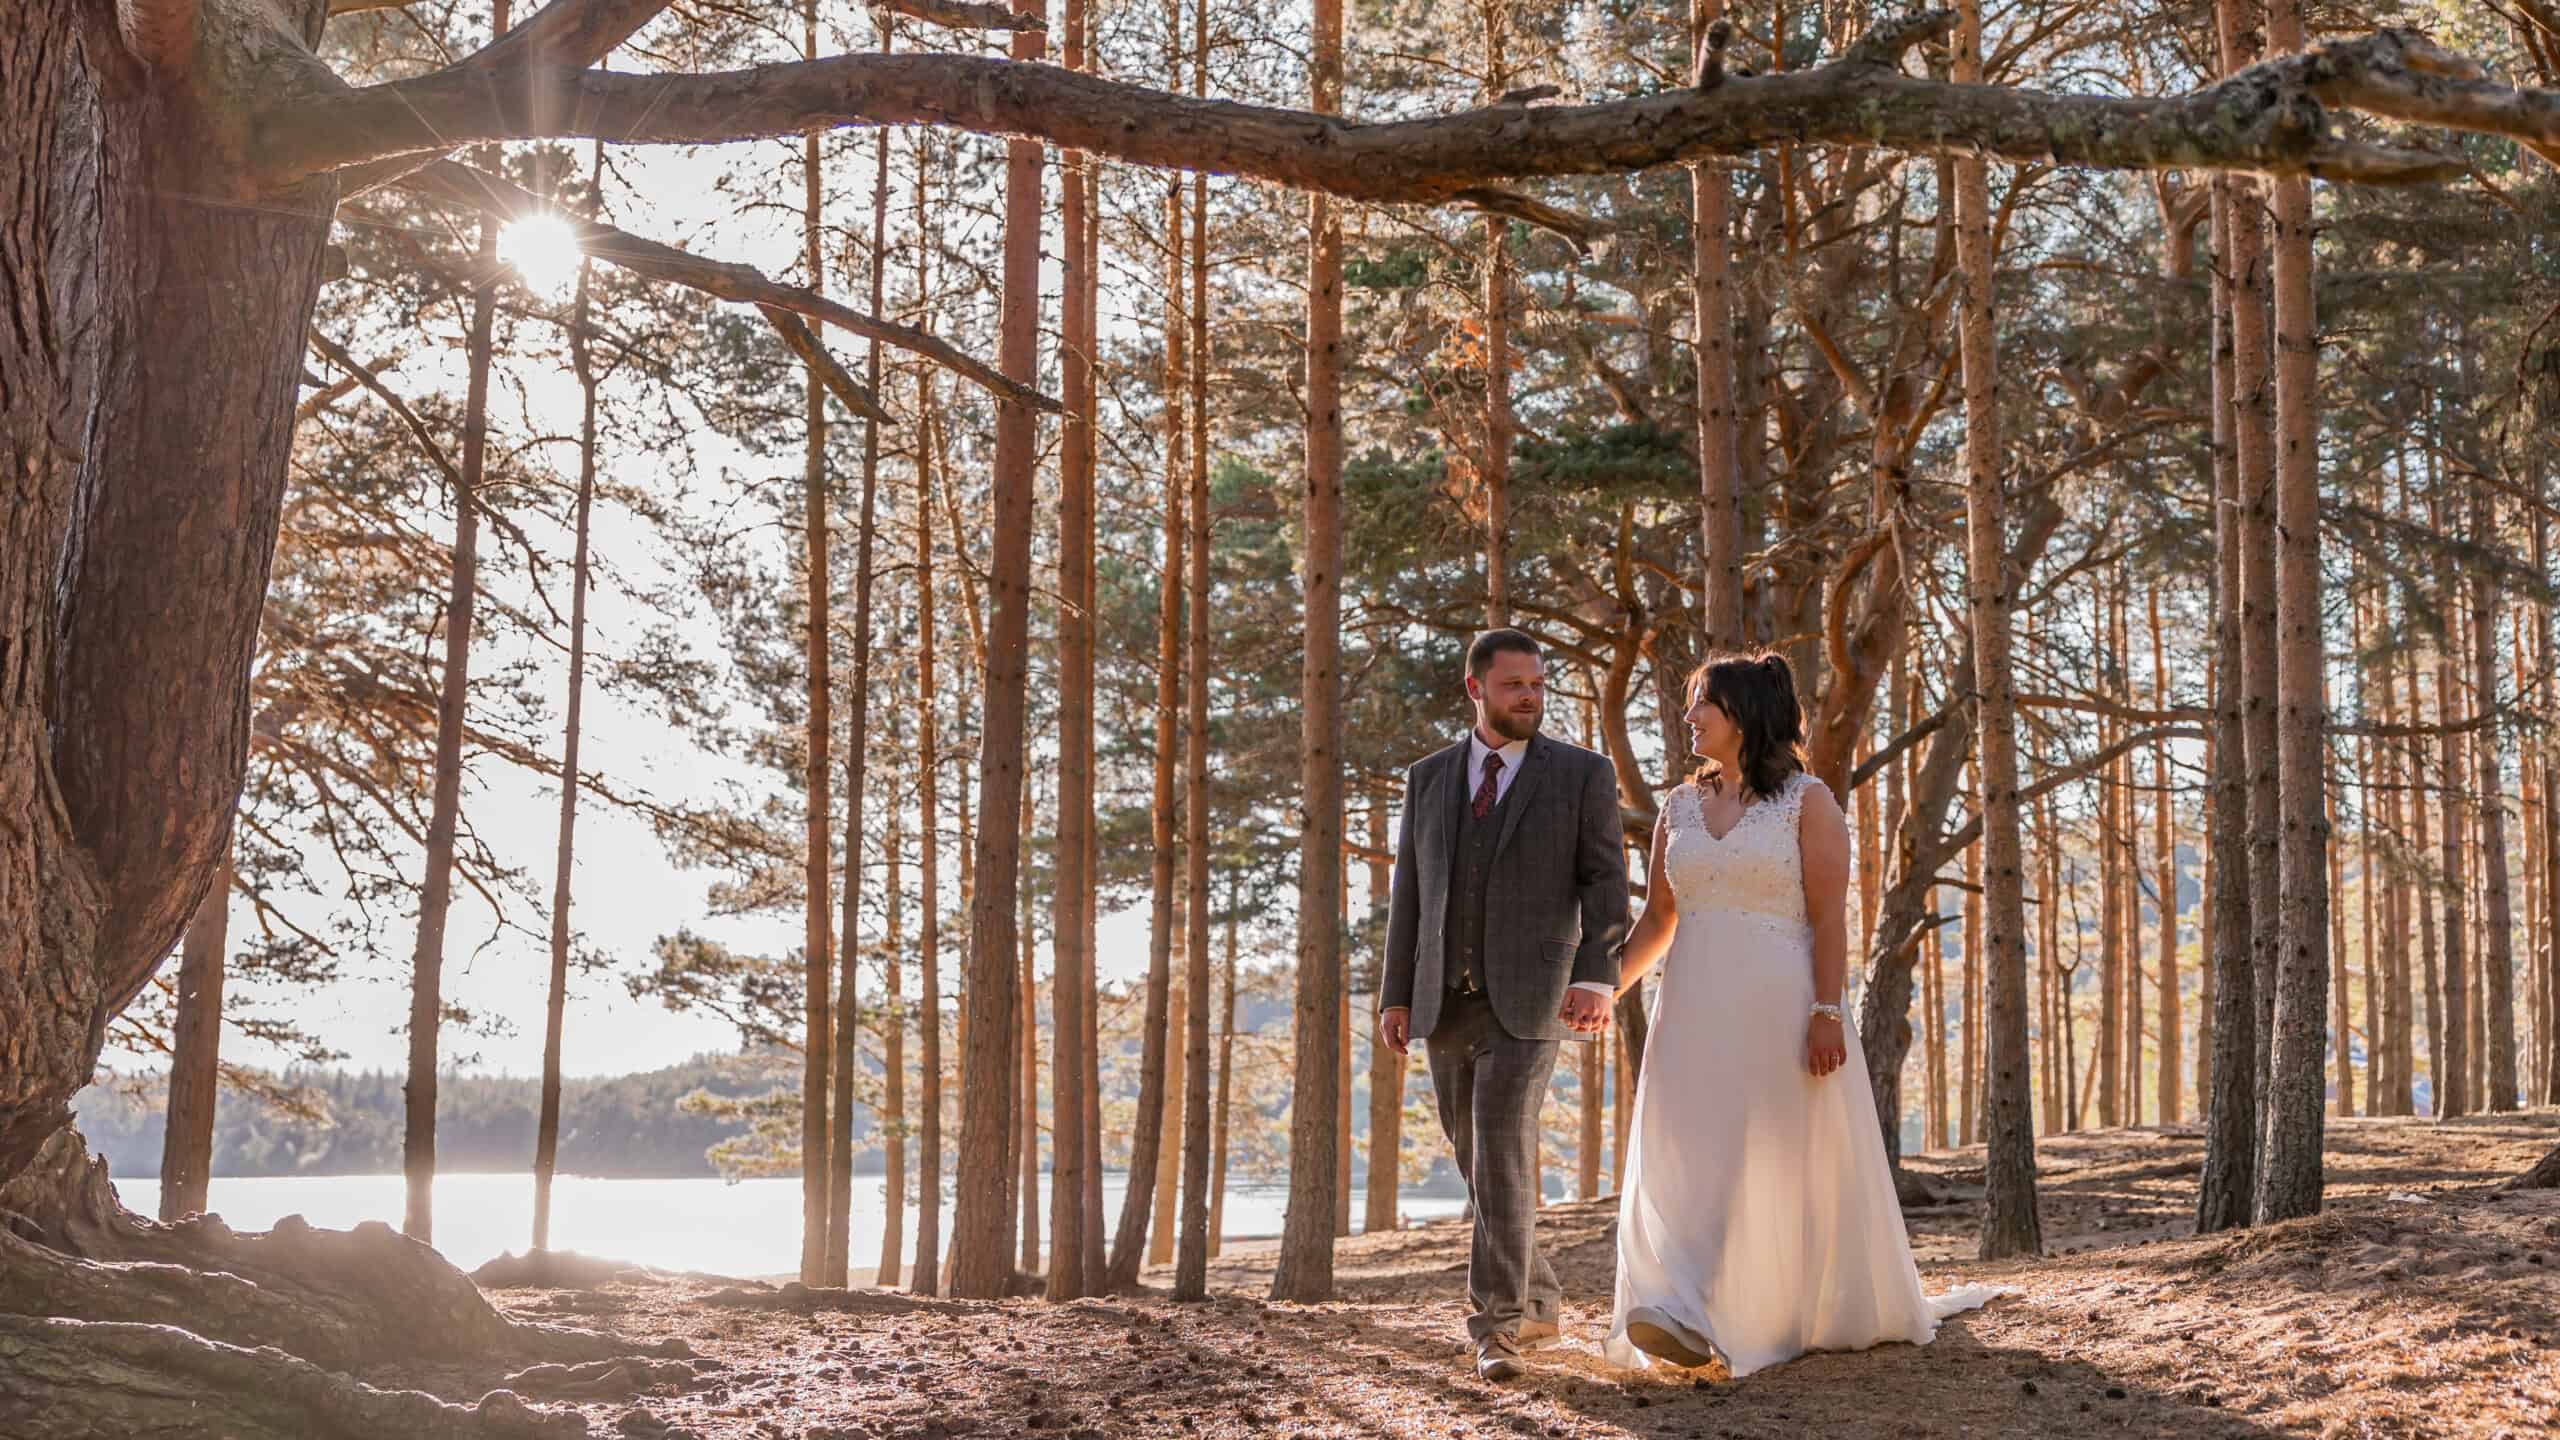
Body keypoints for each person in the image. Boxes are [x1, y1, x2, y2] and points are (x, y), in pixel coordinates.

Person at [1604, 650, 2004, 1377]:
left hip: (1781, 1004)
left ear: (1745, 716)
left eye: (1704, 705)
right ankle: (1675, 1306)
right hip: (1690, 1004)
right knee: (1687, 1146)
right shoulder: (1678, 808)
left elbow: (1828, 919)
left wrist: (1826, 1011)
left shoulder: (1808, 802)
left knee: (1764, 1152)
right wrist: (1606, 988)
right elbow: (1659, 919)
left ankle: (1722, 1310)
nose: (1688, 717)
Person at [1375, 627, 1630, 1382]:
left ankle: (1499, 1324)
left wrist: (1597, 975)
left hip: (1534, 998)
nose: (1529, 696)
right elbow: (1410, 895)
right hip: (1442, 1001)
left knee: (1499, 1147)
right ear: (1475, 688)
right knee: (1482, 1164)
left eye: (1538, 684)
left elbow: (1607, 882)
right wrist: (1396, 993)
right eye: (1515, 684)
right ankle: (1542, 1301)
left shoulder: (1581, 774)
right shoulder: (1428, 778)